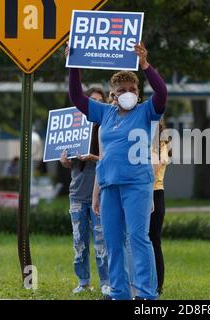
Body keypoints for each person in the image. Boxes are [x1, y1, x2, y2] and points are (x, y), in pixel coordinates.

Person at [67, 42, 167, 300]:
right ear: (112, 94)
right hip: (110, 185)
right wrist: (74, 66)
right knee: (112, 242)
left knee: (138, 238)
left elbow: (162, 92)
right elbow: (77, 98)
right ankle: (119, 292)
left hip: (137, 185)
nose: (127, 93)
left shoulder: (147, 112)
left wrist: (145, 64)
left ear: (138, 92)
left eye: (132, 89)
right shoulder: (105, 113)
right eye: (121, 90)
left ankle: (146, 294)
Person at [60, 88, 110, 296]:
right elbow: (69, 164)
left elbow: (110, 160)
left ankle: (106, 282)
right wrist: (64, 162)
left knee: (101, 243)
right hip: (77, 194)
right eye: (92, 100)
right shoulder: (76, 130)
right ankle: (83, 281)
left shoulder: (108, 129)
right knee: (78, 242)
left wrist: (93, 157)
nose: (96, 104)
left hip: (99, 195)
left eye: (100, 100)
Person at [150, 118, 171, 295]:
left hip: (154, 193)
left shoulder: (160, 143)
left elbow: (154, 168)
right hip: (144, 193)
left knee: (153, 240)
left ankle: (157, 284)